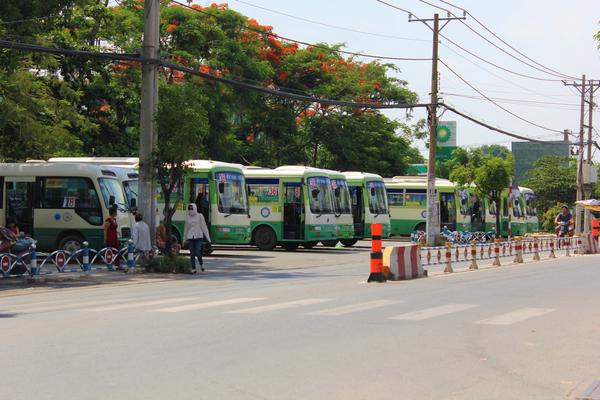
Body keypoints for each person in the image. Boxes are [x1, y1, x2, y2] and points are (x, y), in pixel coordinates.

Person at [184, 203, 211, 274]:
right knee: (192, 254)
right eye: (189, 209)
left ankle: (201, 264)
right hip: (190, 237)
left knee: (198, 252)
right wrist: (184, 239)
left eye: (192, 209)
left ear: (195, 209)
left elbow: (204, 227)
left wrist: (208, 238)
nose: (190, 211)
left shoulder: (200, 216)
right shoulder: (187, 217)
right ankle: (193, 268)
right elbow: (186, 228)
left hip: (198, 237)